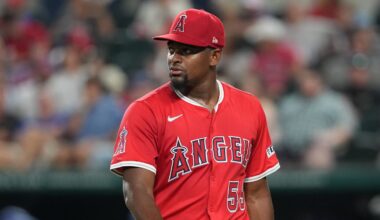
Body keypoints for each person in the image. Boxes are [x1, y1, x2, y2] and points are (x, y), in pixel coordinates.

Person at [110, 8, 280, 220]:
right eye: (172, 49)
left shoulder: (249, 107)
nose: (174, 58)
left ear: (215, 56)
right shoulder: (145, 111)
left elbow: (256, 194)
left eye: (187, 51)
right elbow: (136, 192)